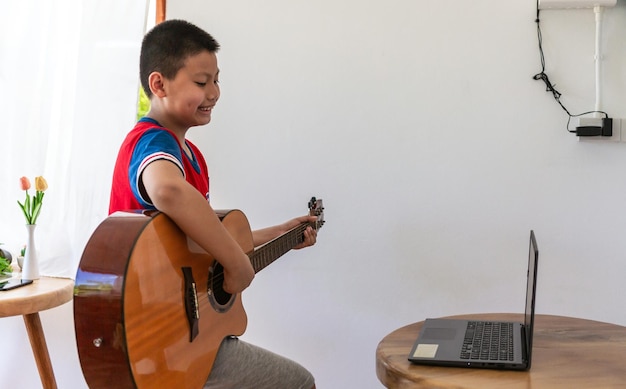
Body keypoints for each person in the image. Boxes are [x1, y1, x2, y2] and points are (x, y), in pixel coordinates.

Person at [109, 19, 317, 389]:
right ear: (158, 84)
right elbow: (167, 191)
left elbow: (201, 245)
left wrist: (284, 233)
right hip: (158, 341)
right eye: (201, 82)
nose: (215, 93)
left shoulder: (193, 156)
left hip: (190, 335)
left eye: (217, 80)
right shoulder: (150, 143)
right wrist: (238, 263)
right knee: (297, 383)